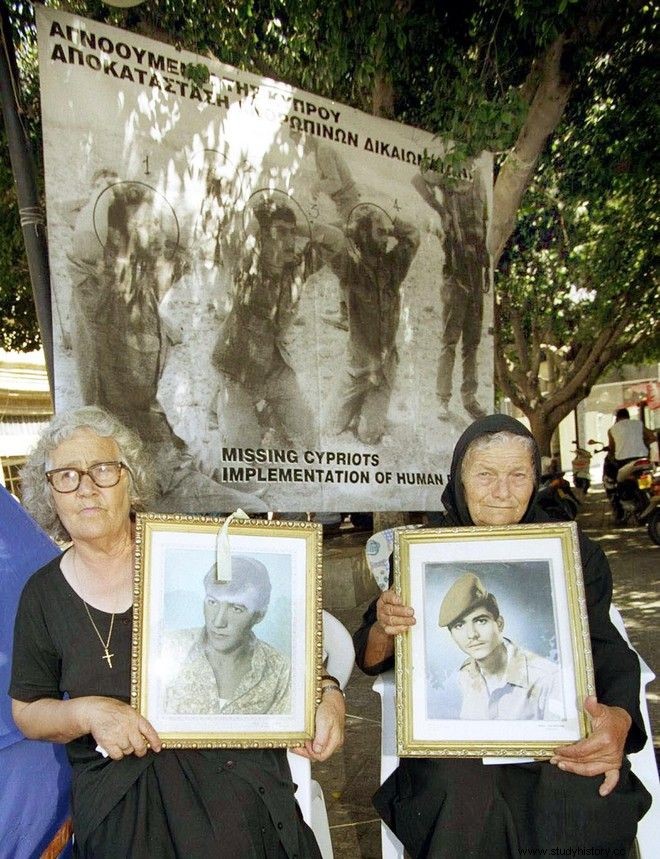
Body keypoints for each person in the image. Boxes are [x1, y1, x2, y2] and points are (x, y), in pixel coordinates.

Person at [9, 406, 345, 858]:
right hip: (121, 788)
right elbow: (29, 711)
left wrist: (328, 694)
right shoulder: (43, 593)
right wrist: (90, 714)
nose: (86, 488)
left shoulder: (194, 552)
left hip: (228, 768)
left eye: (103, 470)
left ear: (131, 480)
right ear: (50, 493)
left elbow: (295, 651)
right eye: (66, 475)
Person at [353, 414, 651, 859]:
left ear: (537, 480)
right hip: (457, 749)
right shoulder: (423, 553)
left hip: (554, 735)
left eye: (518, 476)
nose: (502, 492)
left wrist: (620, 722)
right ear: (459, 478)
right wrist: (384, 624)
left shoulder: (572, 552)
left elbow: (606, 647)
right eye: (486, 475)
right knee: (459, 798)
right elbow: (372, 657)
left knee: (573, 793)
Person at [212, 197, 318, 449]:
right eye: (280, 232)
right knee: (244, 450)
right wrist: (255, 227)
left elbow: (335, 240)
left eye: (292, 234)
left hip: (275, 370)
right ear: (262, 236)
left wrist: (300, 228)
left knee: (309, 440)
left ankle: (264, 411)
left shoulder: (296, 269)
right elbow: (229, 240)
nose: (290, 241)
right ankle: (221, 404)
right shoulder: (246, 268)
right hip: (239, 373)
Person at [318, 206, 420, 445]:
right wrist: (349, 228)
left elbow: (413, 235)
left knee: (369, 434)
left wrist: (392, 223)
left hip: (384, 370)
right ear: (363, 235)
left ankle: (366, 409)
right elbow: (323, 237)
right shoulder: (350, 267)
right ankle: (354, 404)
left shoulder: (393, 266)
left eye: (387, 234)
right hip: (357, 369)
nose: (386, 239)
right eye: (379, 233)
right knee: (329, 428)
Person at [164, 556, 290, 715]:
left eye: (236, 608)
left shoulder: (281, 670)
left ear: (259, 615)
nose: (218, 622)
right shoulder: (167, 647)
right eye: (212, 602)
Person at [412, 167, 490, 421]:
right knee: (449, 341)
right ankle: (442, 399)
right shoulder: (448, 180)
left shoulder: (479, 182)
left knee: (472, 343)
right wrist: (441, 210)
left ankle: (469, 397)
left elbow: (485, 226)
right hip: (456, 275)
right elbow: (417, 179)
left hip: (476, 273)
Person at [433, 572, 563, 721]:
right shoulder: (466, 674)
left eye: (481, 621)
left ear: (499, 624)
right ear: (452, 635)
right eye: (459, 625)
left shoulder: (547, 678)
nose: (472, 634)